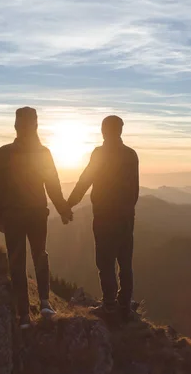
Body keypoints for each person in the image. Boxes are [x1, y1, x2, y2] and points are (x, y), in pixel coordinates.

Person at [0, 107, 73, 329]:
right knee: (40, 253)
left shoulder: (4, 152)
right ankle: (45, 303)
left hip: (13, 215)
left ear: (16, 126)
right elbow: (53, 185)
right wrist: (63, 210)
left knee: (17, 261)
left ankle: (24, 315)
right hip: (37, 213)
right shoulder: (43, 153)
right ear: (36, 125)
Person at [67, 115, 139, 320]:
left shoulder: (99, 154)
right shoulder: (131, 154)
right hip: (126, 217)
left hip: (104, 216)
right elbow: (135, 189)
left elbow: (85, 180)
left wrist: (68, 204)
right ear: (121, 130)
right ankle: (124, 305)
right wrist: (128, 210)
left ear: (103, 131)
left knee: (105, 262)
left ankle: (109, 306)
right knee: (125, 262)